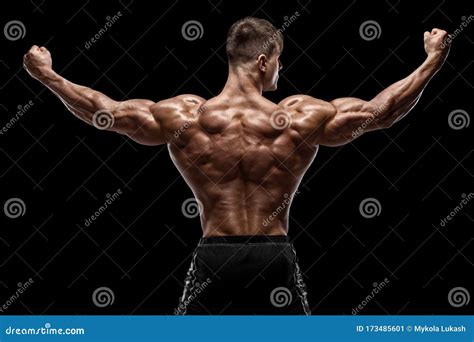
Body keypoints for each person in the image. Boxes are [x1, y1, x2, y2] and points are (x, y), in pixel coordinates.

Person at [23, 17, 450, 314]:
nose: (281, 69)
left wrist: (48, 76)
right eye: (280, 59)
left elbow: (107, 113)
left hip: (214, 257)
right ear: (264, 60)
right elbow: (382, 111)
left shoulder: (185, 116)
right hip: (274, 254)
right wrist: (432, 59)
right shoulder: (299, 117)